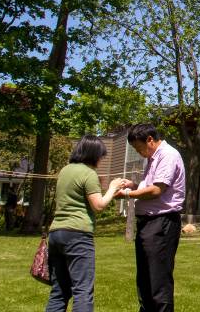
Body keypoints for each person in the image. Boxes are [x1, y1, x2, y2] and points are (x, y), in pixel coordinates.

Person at [46, 135, 125, 312]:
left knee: (59, 291)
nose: (101, 159)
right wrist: (113, 188)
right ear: (93, 154)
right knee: (82, 290)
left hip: (56, 233)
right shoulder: (89, 174)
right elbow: (98, 205)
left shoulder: (65, 170)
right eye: (100, 155)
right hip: (77, 235)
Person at [119, 124, 185, 312]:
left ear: (149, 139)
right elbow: (150, 185)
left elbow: (157, 190)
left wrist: (126, 195)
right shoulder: (153, 158)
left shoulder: (168, 155)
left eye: (139, 148)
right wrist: (133, 185)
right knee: (145, 279)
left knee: (158, 280)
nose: (139, 152)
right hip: (149, 224)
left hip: (161, 223)